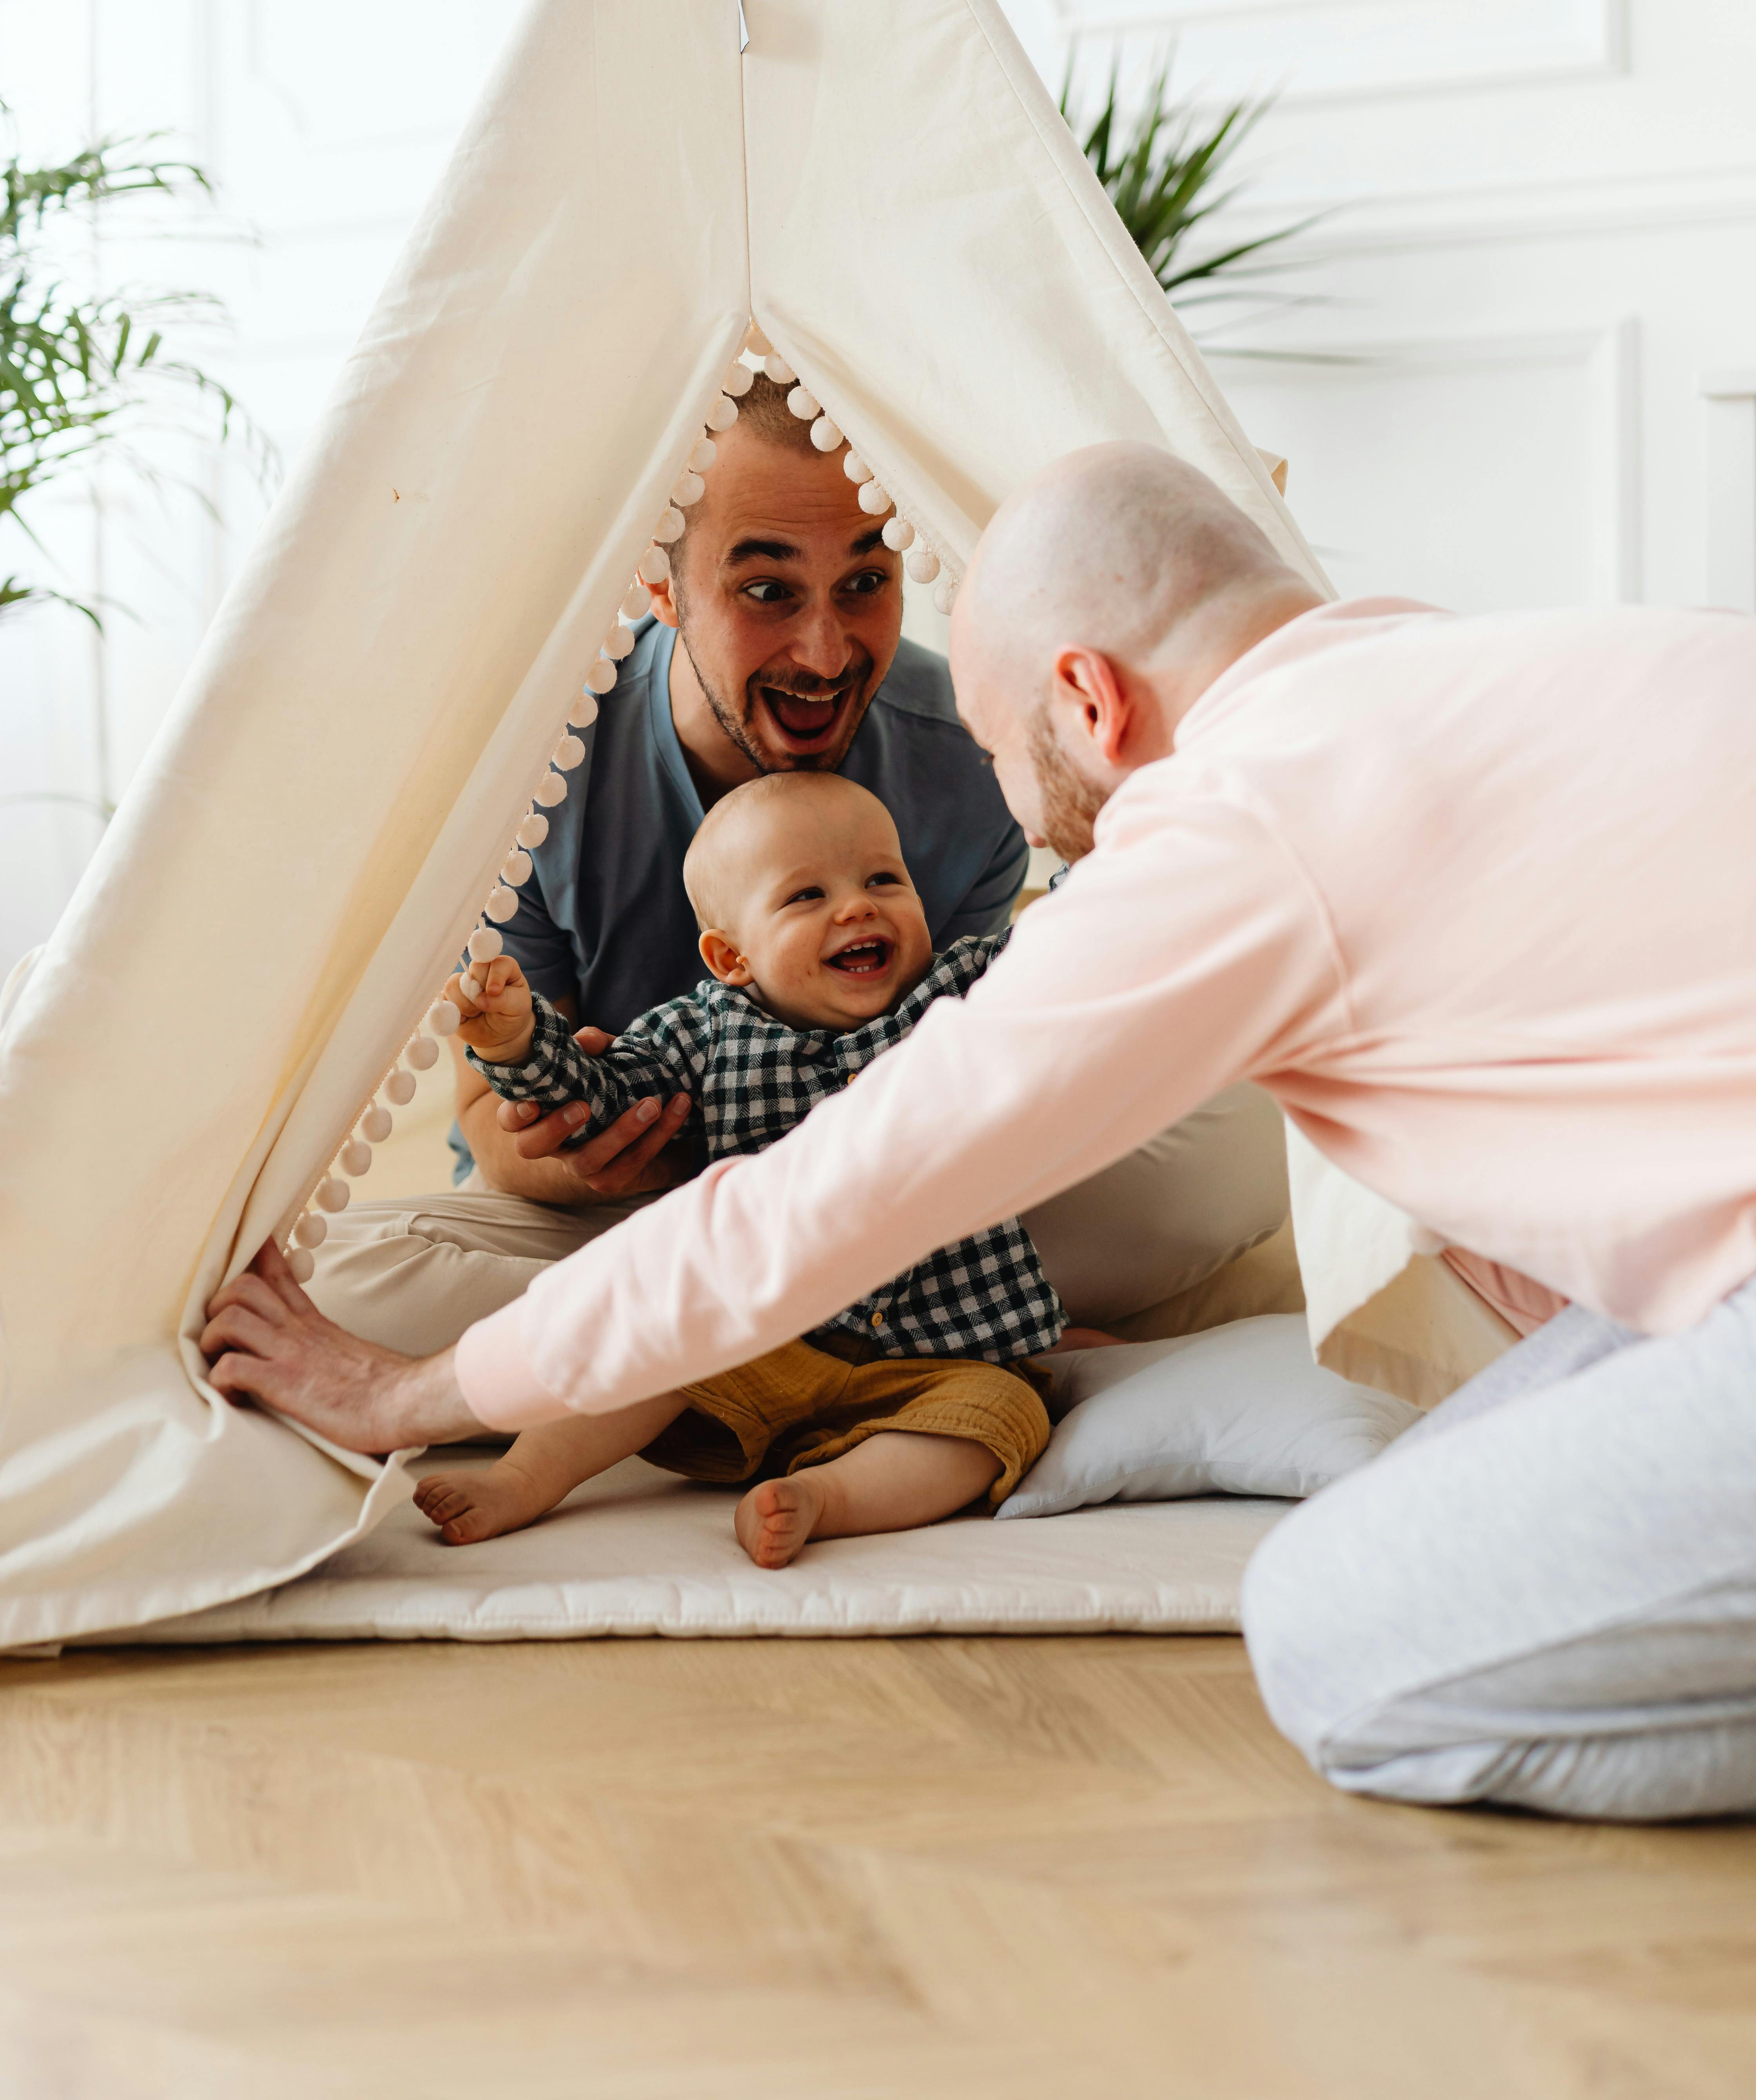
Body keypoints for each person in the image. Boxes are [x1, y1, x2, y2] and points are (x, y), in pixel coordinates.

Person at [208, 436, 1756, 1823]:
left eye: (1020, 764)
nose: (1018, 820)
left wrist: (408, 1391)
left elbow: (831, 1197)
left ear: (1093, 697)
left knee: (1330, 1634)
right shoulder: (1581, 657)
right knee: (1474, 1468)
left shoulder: (1228, 823)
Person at [304, 372, 1290, 1357]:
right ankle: (756, 1344)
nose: (823, 655)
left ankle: (741, 1353)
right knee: (344, 1278)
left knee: (1251, 1136)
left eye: (864, 584)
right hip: (621, 1221)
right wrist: (590, 1162)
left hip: (887, 1210)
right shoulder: (536, 762)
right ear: (661, 584)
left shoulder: (966, 758)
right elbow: (489, 1119)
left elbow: (983, 1063)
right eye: (766, 591)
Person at [414, 770, 1065, 1563]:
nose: (856, 907)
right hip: (758, 1334)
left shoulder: (960, 990)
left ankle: (827, 1498)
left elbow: (1070, 945)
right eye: (804, 898)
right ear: (730, 957)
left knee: (1005, 1416)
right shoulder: (702, 1033)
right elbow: (602, 1102)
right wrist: (517, 1045)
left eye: (883, 880)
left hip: (940, 1352)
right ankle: (525, 1478)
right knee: (645, 1340)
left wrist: (1101, 834)